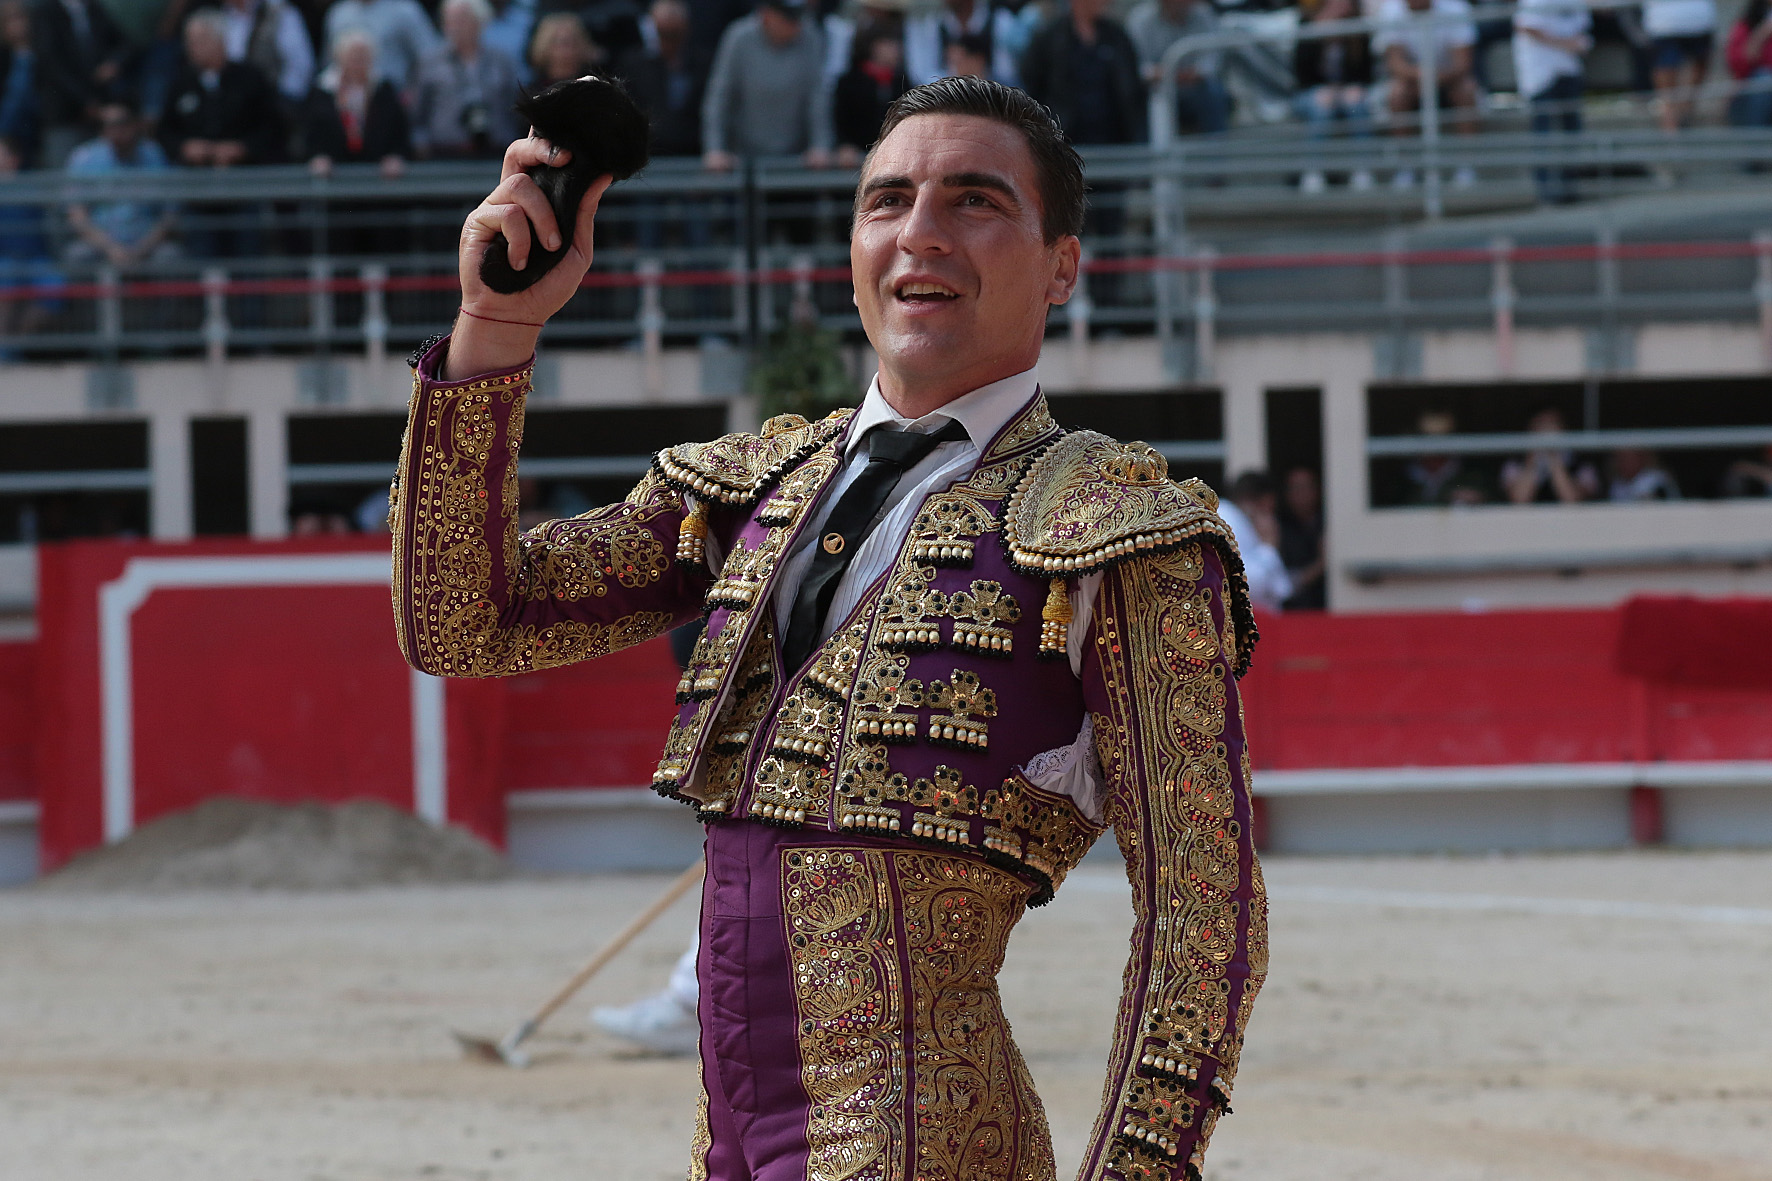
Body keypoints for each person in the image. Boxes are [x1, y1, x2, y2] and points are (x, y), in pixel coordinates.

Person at [393, 74, 1264, 1181]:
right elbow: (464, 625)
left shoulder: (1117, 531)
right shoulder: (755, 487)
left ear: (1061, 263)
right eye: (886, 200)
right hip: (730, 1147)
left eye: (974, 201)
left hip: (929, 1146)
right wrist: (497, 327)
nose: (920, 235)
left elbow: (1203, 910)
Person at [700, 0, 834, 171]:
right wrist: (714, 149)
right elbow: (719, 97)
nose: (796, 25)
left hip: (796, 158)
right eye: (788, 18)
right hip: (742, 157)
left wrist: (820, 146)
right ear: (766, 15)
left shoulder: (810, 36)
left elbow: (817, 98)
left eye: (798, 18)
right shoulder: (738, 37)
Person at [1372, 0, 1480, 190]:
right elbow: (1395, 63)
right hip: (1413, 82)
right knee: (1397, 94)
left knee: (1467, 90)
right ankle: (1405, 168)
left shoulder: (1456, 8)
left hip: (1448, 79)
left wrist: (1435, 77)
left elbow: (1463, 63)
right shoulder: (1390, 11)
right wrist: (1422, 75)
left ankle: (1467, 165)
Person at [64, 100, 179, 271]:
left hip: (146, 241)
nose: (116, 131)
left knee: (169, 256)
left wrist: (142, 249)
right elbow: (76, 214)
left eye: (122, 124)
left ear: (134, 125)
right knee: (77, 255)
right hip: (100, 242)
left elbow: (170, 214)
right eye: (109, 125)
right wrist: (110, 248)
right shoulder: (85, 157)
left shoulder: (153, 154)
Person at [411, 0, 522, 159]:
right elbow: (417, 113)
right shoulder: (429, 64)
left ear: (480, 21)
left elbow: (514, 107)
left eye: (462, 20)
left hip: (496, 151)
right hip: (444, 152)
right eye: (449, 21)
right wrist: (420, 145)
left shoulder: (502, 62)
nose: (455, 27)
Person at [31, 0, 132, 166]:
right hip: (65, 114)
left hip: (99, 115)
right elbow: (52, 65)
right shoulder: (46, 12)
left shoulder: (94, 9)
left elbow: (126, 45)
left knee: (101, 176)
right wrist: (85, 101)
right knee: (65, 177)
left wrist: (114, 63)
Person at [297, 30, 411, 177]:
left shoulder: (383, 89)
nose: (357, 62)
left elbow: (399, 130)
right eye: (353, 57)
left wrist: (396, 156)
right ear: (339, 57)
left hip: (379, 172)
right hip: (334, 172)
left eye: (363, 56)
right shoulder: (323, 90)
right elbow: (310, 131)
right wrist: (317, 156)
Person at [1292, 0, 1375, 192]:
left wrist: (1348, 88)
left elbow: (1365, 75)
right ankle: (1313, 172)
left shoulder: (1357, 31)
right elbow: (1301, 76)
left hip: (1347, 95)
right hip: (1311, 94)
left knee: (1357, 102)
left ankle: (1362, 170)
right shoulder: (1308, 25)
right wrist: (1321, 33)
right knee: (1321, 105)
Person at [1513, 0, 1590, 204]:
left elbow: (1581, 27)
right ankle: (1545, 192)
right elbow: (1526, 26)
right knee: (1543, 134)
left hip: (1569, 68)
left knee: (1571, 131)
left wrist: (1576, 44)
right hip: (1540, 71)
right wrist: (1564, 44)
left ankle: (1569, 190)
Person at [614, 0, 709, 158]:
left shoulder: (703, 62)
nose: (669, 42)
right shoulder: (634, 64)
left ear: (686, 28)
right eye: (663, 33)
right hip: (648, 152)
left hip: (695, 151)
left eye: (674, 34)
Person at [1126, 0, 1229, 137]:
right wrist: (1166, 74)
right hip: (1156, 90)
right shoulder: (1141, 19)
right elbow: (1135, 66)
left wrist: (1194, 74)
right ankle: (1144, 153)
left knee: (1214, 91)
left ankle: (1216, 150)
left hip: (1194, 90)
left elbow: (1212, 60)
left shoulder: (1204, 15)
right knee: (1136, 100)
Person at [0, 135, 61, 346]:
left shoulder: (32, 184)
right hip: (4, 261)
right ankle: (4, 353)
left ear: (14, 159)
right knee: (4, 287)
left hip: (36, 260)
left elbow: (56, 205)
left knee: (55, 288)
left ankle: (13, 347)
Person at [214, 0, 316, 108]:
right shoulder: (220, 15)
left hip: (276, 105)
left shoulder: (279, 11)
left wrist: (283, 103)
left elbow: (300, 66)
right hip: (232, 106)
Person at [322, 0, 442, 92]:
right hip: (345, 106)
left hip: (396, 100)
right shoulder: (338, 15)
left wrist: (415, 93)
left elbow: (431, 58)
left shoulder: (404, 11)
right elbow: (328, 63)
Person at [1220, 470, 1293, 613]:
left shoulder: (1238, 521)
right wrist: (1268, 547)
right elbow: (1251, 585)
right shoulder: (1227, 519)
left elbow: (1282, 589)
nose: (1270, 515)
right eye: (1269, 508)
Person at [833, 24, 909, 159]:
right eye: (889, 44)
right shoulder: (849, 83)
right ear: (874, 47)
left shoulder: (903, 82)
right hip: (854, 159)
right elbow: (839, 120)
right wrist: (844, 144)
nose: (896, 50)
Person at [903, 0, 1021, 87]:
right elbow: (920, 76)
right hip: (943, 101)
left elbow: (1009, 76)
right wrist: (955, 76)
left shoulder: (1002, 21)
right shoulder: (929, 23)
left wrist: (977, 76)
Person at [1501, 405, 1600, 504]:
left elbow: (1572, 500)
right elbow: (1519, 500)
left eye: (1551, 424)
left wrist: (1553, 457)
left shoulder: (1583, 464)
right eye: (1540, 425)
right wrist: (1534, 459)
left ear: (1563, 429)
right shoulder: (1514, 464)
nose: (1545, 432)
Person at [1644, 0, 1715, 133]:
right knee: (1666, 76)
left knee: (1699, 67)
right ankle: (1670, 126)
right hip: (1663, 24)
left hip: (1701, 21)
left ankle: (1684, 113)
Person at [1397, 407, 1487, 505]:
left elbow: (1492, 503)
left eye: (1441, 436)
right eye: (1427, 436)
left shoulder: (1472, 475)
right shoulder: (1400, 478)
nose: (1434, 445)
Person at [1277, 466, 1326, 610]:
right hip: (1293, 611)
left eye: (1305, 487)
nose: (1301, 494)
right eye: (1295, 488)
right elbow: (1282, 583)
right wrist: (1320, 565)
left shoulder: (1328, 524)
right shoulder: (1280, 529)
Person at [0, 0, 41, 165]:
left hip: (36, 129)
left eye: (21, 18)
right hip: (8, 130)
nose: (18, 25)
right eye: (11, 20)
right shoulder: (3, 58)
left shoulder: (43, 52)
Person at [1725, 0, 1772, 127]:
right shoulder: (1747, 25)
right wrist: (1762, 33)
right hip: (1750, 96)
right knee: (1765, 78)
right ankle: (1757, 143)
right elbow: (1740, 64)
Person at [527, 11, 602, 89]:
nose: (569, 50)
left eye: (574, 43)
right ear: (545, 47)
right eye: (563, 43)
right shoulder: (532, 94)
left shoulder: (596, 88)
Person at [1606, 448, 1679, 500]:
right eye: (1621, 459)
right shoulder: (1617, 484)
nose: (1624, 463)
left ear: (1640, 458)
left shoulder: (1656, 479)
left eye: (1629, 458)